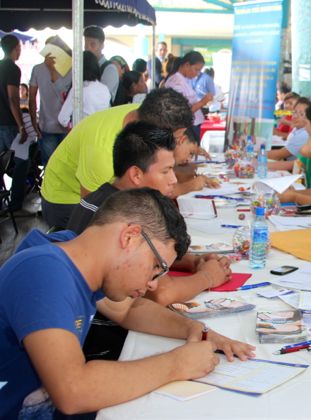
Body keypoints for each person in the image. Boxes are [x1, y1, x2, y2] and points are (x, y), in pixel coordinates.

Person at [0, 188, 256, 418]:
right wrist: (177, 363)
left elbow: (130, 311)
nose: (154, 284)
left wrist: (196, 330)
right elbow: (73, 391)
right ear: (131, 237)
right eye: (156, 266)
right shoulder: (44, 273)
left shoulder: (74, 254)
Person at [66, 122, 231, 361]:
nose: (174, 180)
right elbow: (158, 294)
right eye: (166, 171)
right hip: (106, 345)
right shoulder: (116, 219)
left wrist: (191, 262)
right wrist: (208, 277)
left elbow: (146, 258)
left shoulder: (107, 198)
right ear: (136, 174)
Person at [40, 88, 193, 229]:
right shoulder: (103, 152)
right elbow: (93, 211)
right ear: (154, 131)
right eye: (175, 138)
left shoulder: (144, 115)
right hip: (67, 200)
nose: (176, 144)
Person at [28, 36, 72, 165]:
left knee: (50, 165)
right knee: (64, 165)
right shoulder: (71, 69)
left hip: (51, 125)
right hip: (61, 126)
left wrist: (34, 122)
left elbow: (32, 98)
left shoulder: (38, 69)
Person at [0, 34, 29, 213]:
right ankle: (16, 203)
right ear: (15, 48)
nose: (20, 51)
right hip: (9, 124)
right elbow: (12, 98)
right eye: (19, 47)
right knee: (21, 162)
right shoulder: (13, 69)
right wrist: (21, 125)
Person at [164, 51, 213, 137]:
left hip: (193, 125)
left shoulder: (185, 79)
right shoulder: (175, 82)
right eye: (196, 69)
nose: (197, 73)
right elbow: (183, 112)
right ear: (187, 65)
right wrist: (203, 102)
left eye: (199, 71)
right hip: (187, 128)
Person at [57, 51, 110, 128]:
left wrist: (73, 126)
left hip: (83, 134)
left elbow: (62, 118)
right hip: (100, 134)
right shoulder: (105, 89)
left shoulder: (78, 90)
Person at [268, 97, 311, 171]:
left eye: (301, 114)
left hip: (293, 170)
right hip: (288, 165)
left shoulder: (304, 134)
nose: (295, 116)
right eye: (294, 112)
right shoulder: (297, 128)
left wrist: (256, 154)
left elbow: (278, 155)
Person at [83, 26, 119, 102]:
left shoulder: (110, 69)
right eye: (86, 45)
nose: (88, 49)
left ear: (102, 45)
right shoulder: (83, 66)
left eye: (93, 45)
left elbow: (100, 97)